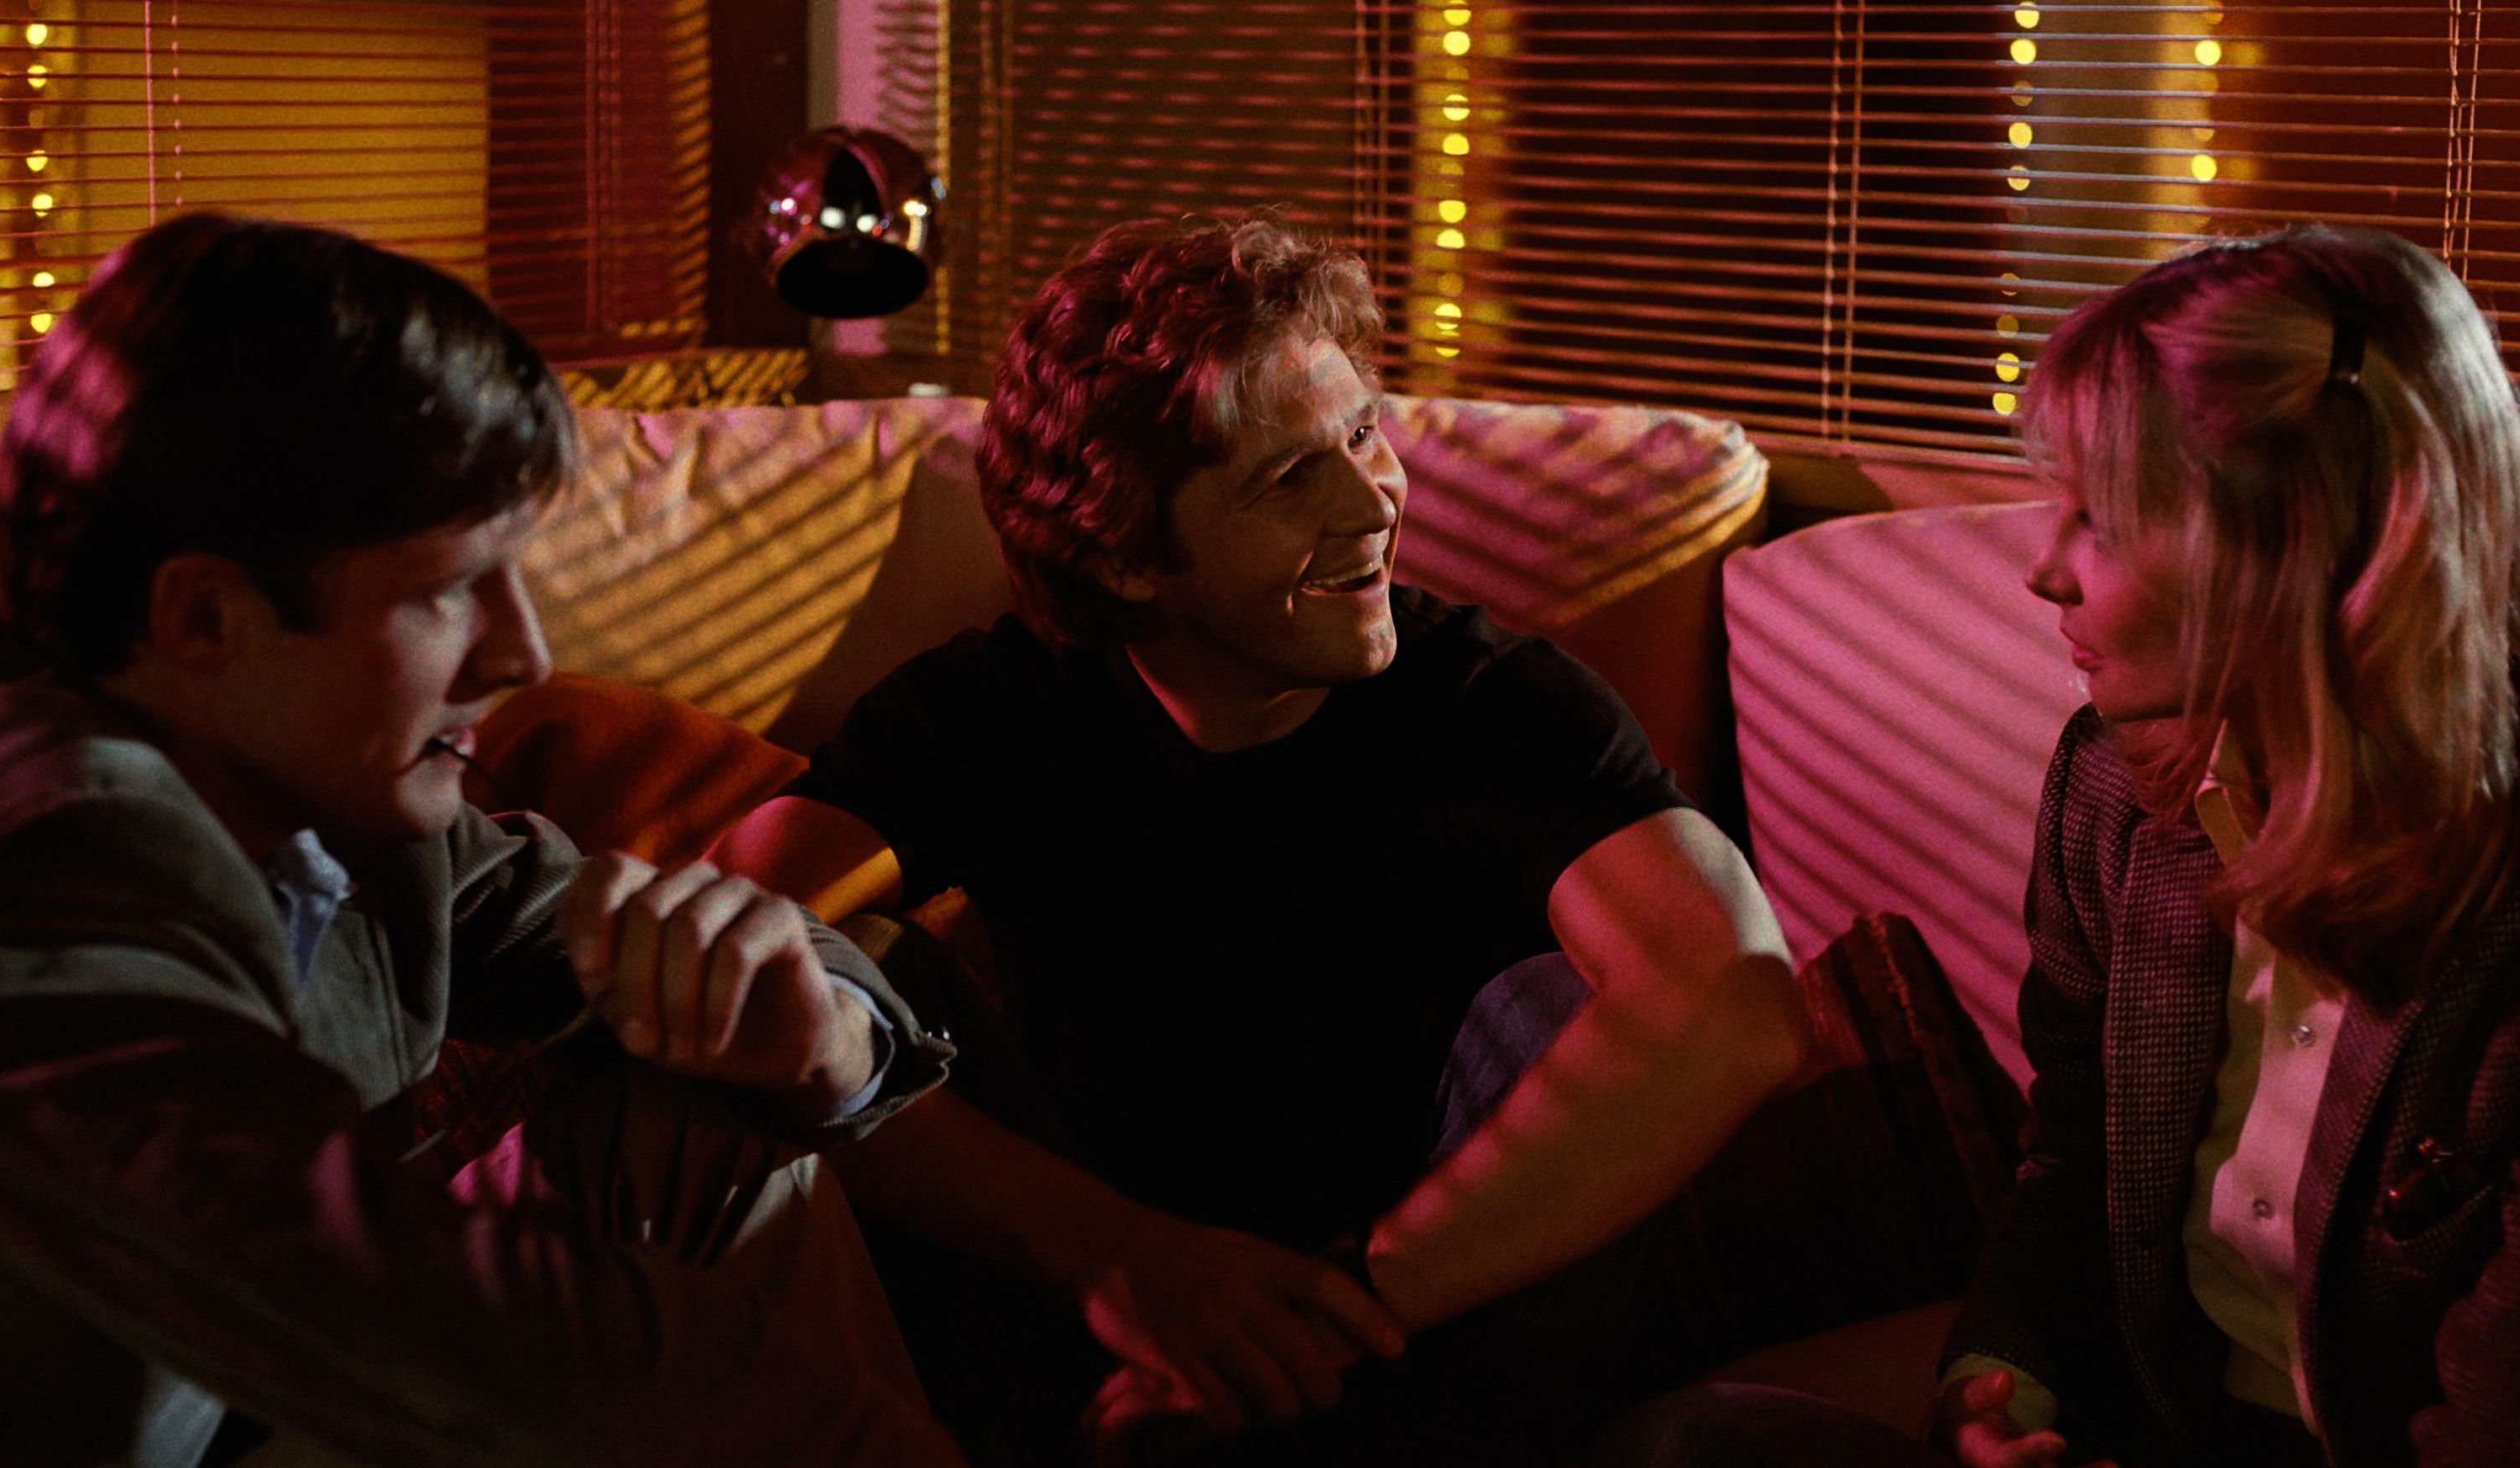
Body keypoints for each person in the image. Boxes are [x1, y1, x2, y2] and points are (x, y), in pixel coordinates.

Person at [707, 215, 1809, 1463]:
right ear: (1127, 555)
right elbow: (725, 947)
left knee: (1573, 996)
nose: (1373, 503)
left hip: (1442, 1321)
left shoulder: (1493, 702)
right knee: (839, 971)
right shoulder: (992, 709)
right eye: (1290, 479)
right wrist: (1122, 1260)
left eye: (1364, 433)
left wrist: (1335, 1315)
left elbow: (1739, 1005)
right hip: (1094, 1307)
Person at [0, 214, 962, 1468]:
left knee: (700, 1141)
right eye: (447, 590)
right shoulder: (28, 851)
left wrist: (815, 1037)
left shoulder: (334, 787)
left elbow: (613, 923)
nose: (524, 655)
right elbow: (364, 1289)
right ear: (205, 616)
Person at [1656, 224, 2520, 1468]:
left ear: (2297, 547)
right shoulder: (2117, 786)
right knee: (1703, 1443)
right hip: (2158, 1423)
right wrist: (2004, 1374)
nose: (2044, 571)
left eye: (2106, 522)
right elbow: (2079, 1148)